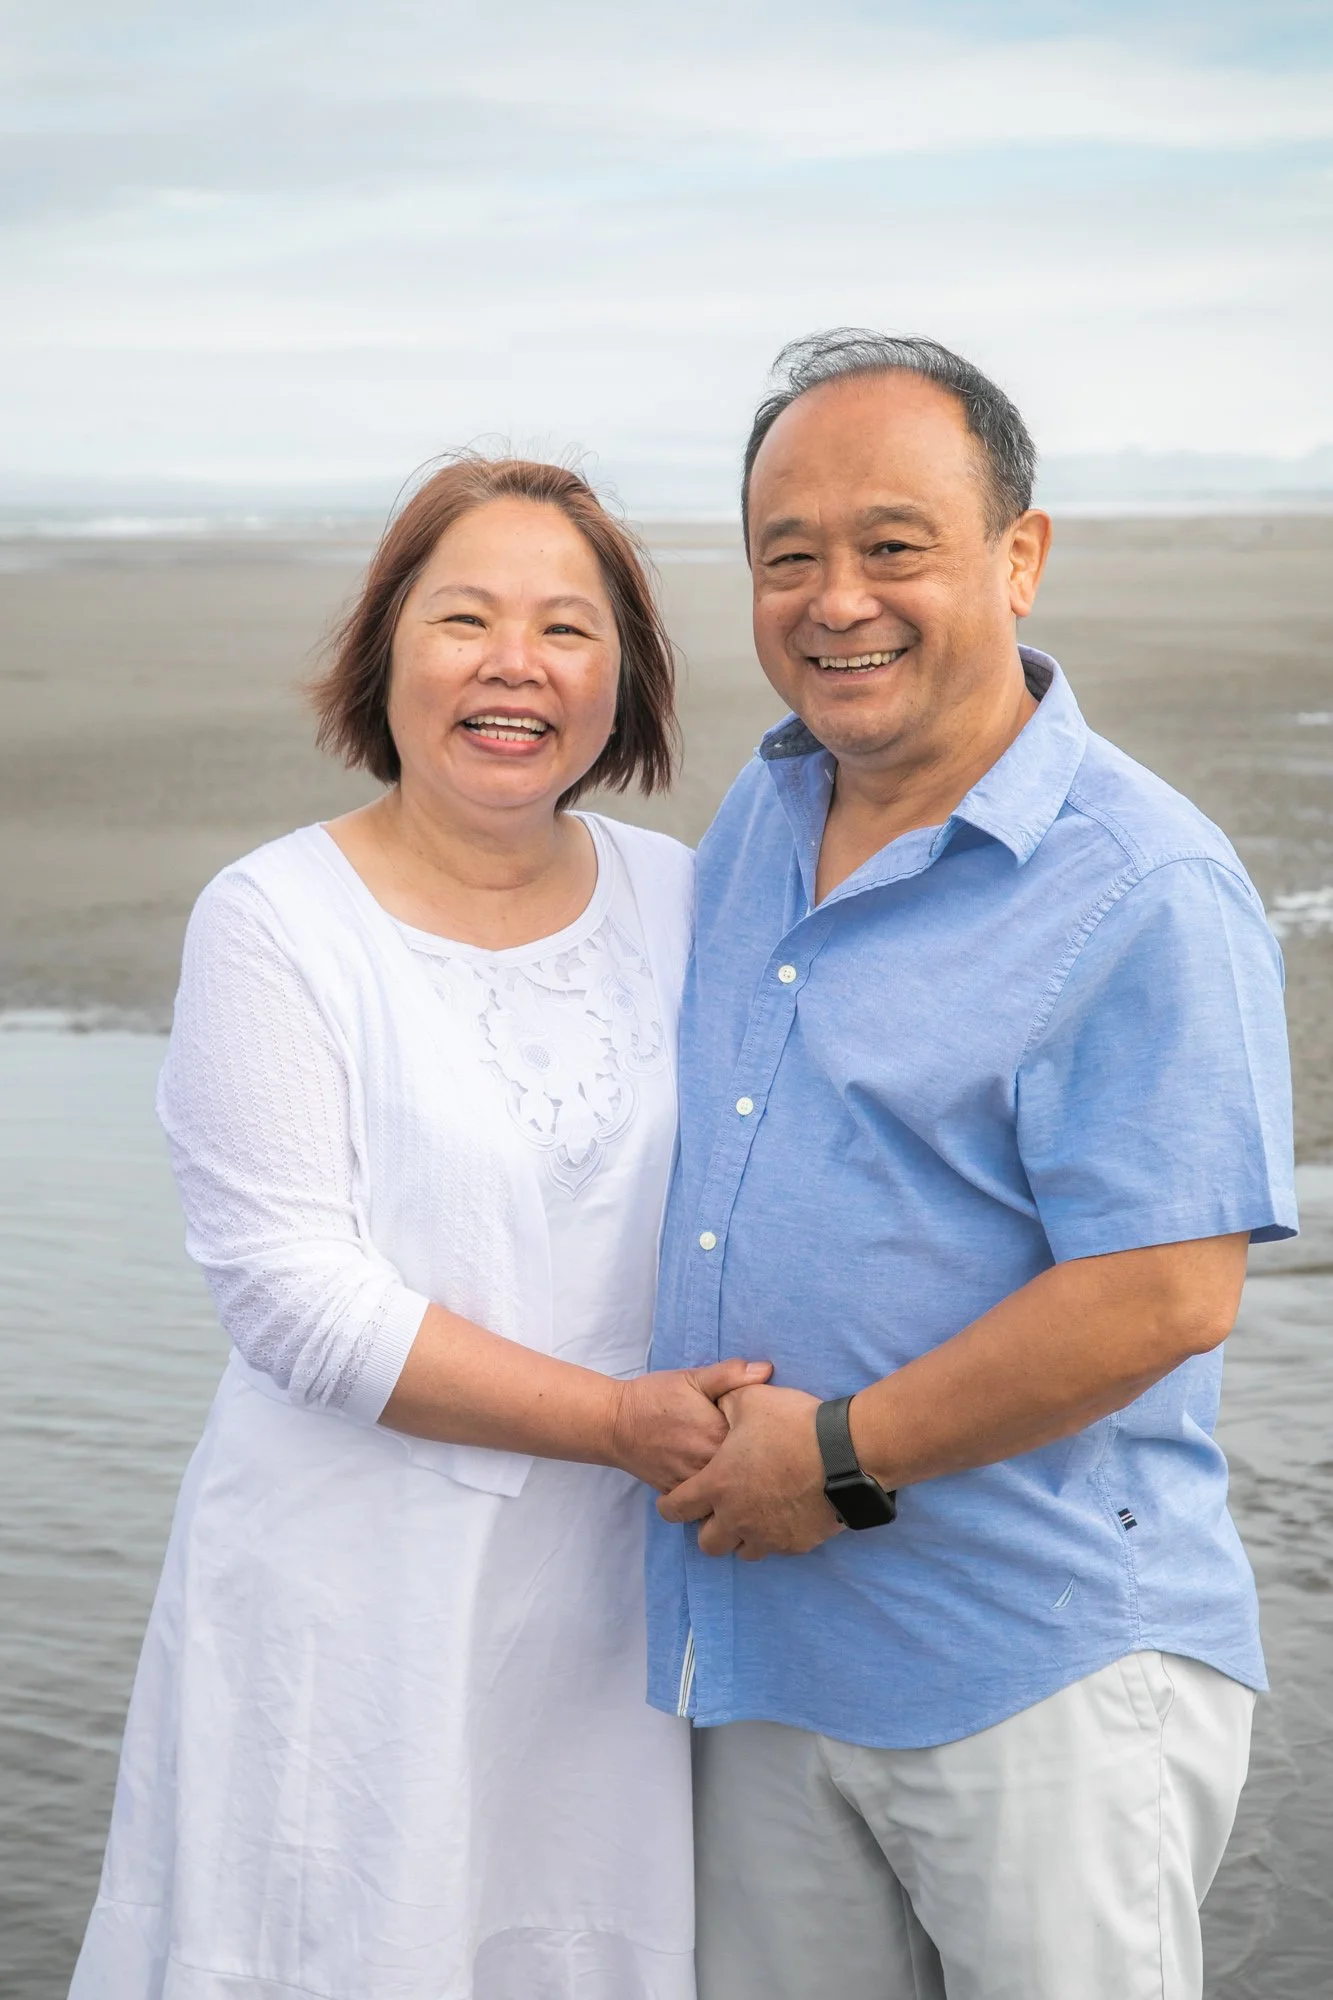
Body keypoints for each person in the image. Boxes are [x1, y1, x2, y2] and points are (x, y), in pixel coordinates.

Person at [647, 332, 1297, 2000]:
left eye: (892, 545)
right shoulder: (758, 819)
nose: (835, 596)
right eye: (788, 556)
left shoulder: (1143, 884)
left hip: (1041, 1669)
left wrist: (841, 1456)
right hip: (766, 1660)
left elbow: (1165, 1291)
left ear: (1019, 556)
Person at [70, 455, 770, 2000]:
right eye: (466, 617)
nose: (516, 663)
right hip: (349, 1593)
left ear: (627, 681)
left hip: (601, 1603)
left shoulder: (680, 893)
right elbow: (294, 1300)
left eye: (568, 629)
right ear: (386, 649)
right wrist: (620, 1420)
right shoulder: (274, 918)